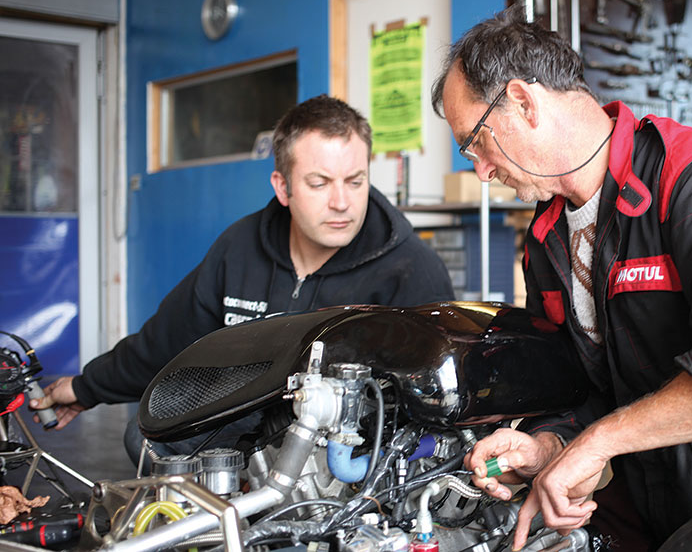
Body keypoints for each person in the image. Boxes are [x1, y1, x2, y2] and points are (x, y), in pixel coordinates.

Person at [431, 7, 692, 551]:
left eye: (475, 141)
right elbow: (579, 384)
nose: (480, 170)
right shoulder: (547, 235)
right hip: (652, 496)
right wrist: (549, 445)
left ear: (524, 102)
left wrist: (600, 442)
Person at [30, 95, 454, 463]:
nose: (342, 202)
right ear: (283, 187)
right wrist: (87, 387)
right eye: (319, 183)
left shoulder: (411, 270)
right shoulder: (240, 248)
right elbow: (167, 342)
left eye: (354, 181)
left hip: (350, 448)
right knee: (147, 440)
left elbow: (440, 400)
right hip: (249, 432)